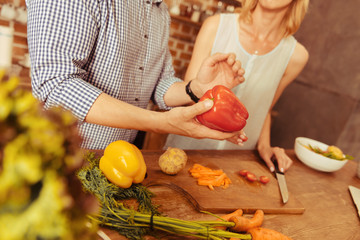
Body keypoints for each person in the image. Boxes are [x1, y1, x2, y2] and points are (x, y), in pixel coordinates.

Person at [25, 0, 247, 150]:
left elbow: (159, 83)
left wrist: (196, 88)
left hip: (119, 158)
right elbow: (55, 83)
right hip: (64, 156)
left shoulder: (159, 10)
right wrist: (160, 122)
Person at [165, 0, 309, 173]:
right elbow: (189, 97)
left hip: (237, 164)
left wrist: (265, 145)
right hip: (185, 152)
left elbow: (265, 108)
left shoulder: (296, 56)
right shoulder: (216, 26)